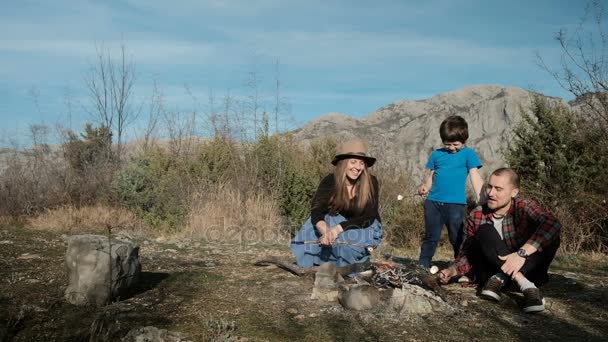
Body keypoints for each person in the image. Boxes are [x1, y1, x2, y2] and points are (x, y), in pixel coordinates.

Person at [438, 168, 561, 313]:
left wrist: (521, 254)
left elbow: (552, 223)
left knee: (551, 236)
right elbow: (468, 252)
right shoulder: (477, 214)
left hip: (528, 272)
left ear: (513, 192)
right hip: (490, 277)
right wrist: (453, 270)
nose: (491, 193)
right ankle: (527, 287)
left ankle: (503, 278)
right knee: (484, 230)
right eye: (489, 187)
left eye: (498, 189)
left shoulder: (523, 206)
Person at [291, 138, 382, 272]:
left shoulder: (371, 182)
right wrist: (326, 231)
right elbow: (317, 210)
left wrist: (337, 229)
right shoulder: (329, 180)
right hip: (336, 221)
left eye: (361, 163)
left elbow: (369, 216)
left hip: (365, 225)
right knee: (311, 230)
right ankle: (320, 264)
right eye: (353, 162)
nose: (357, 167)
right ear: (343, 163)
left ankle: (349, 268)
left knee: (347, 245)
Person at [418, 115, 484, 270]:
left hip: (455, 205)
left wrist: (482, 198)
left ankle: (460, 266)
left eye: (456, 144)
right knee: (431, 236)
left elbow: (475, 176)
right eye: (448, 144)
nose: (452, 148)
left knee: (457, 237)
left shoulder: (468, 154)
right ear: (443, 141)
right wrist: (425, 187)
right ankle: (423, 264)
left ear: (464, 140)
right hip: (433, 203)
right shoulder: (436, 155)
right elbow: (432, 175)